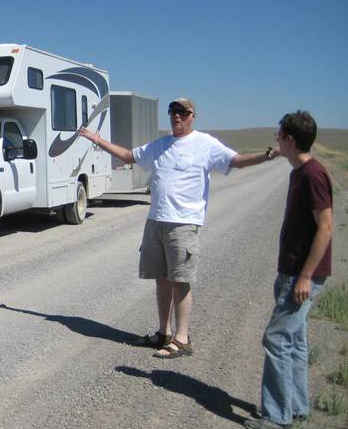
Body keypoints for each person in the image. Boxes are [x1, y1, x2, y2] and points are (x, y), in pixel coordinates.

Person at [78, 97, 274, 358]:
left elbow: (236, 161)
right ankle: (163, 333)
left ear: (193, 115)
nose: (176, 116)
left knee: (180, 280)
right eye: (172, 111)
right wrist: (97, 139)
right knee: (161, 278)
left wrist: (268, 155)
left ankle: (182, 339)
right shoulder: (160, 146)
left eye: (182, 112)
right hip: (156, 221)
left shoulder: (205, 145)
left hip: (184, 223)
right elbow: (128, 156)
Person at [244, 111, 332, 429]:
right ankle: (296, 406)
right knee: (294, 340)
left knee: (277, 338)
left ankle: (277, 415)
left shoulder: (313, 175)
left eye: (279, 135)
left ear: (290, 140)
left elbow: (325, 227)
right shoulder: (299, 173)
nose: (276, 140)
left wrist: (306, 276)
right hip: (291, 272)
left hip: (301, 276)